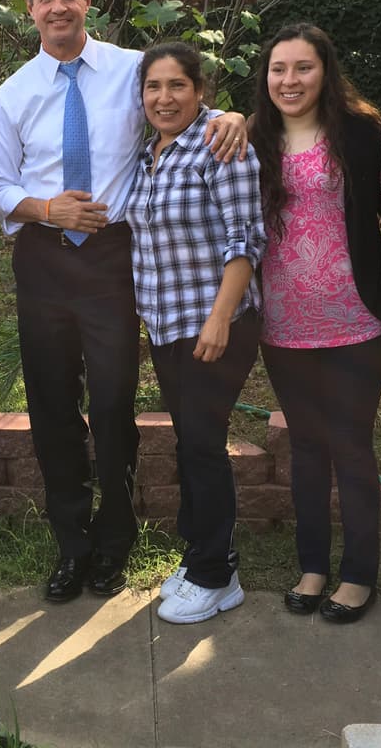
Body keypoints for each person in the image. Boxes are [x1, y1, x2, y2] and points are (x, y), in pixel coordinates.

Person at [0, 0, 247, 603]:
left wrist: (233, 117)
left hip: (112, 259)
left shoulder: (131, 72)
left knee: (111, 403)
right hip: (42, 258)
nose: (59, 7)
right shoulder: (13, 93)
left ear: (88, 0)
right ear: (30, 10)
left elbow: (180, 108)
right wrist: (47, 208)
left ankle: (114, 539)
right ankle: (72, 545)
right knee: (52, 406)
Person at [249, 24, 381, 626]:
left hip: (355, 317)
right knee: (306, 444)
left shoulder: (361, 133)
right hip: (284, 322)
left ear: (325, 72)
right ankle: (312, 566)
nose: (290, 81)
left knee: (351, 444)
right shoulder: (254, 138)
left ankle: (359, 574)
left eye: (303, 68)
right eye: (278, 69)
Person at [126, 42, 264, 624]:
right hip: (166, 324)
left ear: (200, 90)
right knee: (190, 441)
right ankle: (200, 552)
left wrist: (219, 317)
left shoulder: (220, 146)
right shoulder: (146, 154)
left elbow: (245, 239)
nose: (164, 98)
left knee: (203, 444)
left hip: (214, 323)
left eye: (177, 85)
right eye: (153, 87)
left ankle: (217, 573)